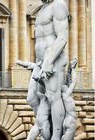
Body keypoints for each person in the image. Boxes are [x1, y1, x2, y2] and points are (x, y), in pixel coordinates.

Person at [27, 0, 69, 139]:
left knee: (53, 97)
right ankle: (44, 128)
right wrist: (39, 63)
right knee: (32, 98)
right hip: (40, 62)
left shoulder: (58, 5)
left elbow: (62, 37)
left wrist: (49, 61)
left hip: (53, 60)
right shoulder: (42, 9)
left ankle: (56, 136)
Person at [61, 58, 77, 140]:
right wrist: (73, 69)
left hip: (65, 121)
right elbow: (73, 82)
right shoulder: (67, 95)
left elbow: (68, 80)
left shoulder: (63, 96)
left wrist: (69, 69)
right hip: (71, 121)